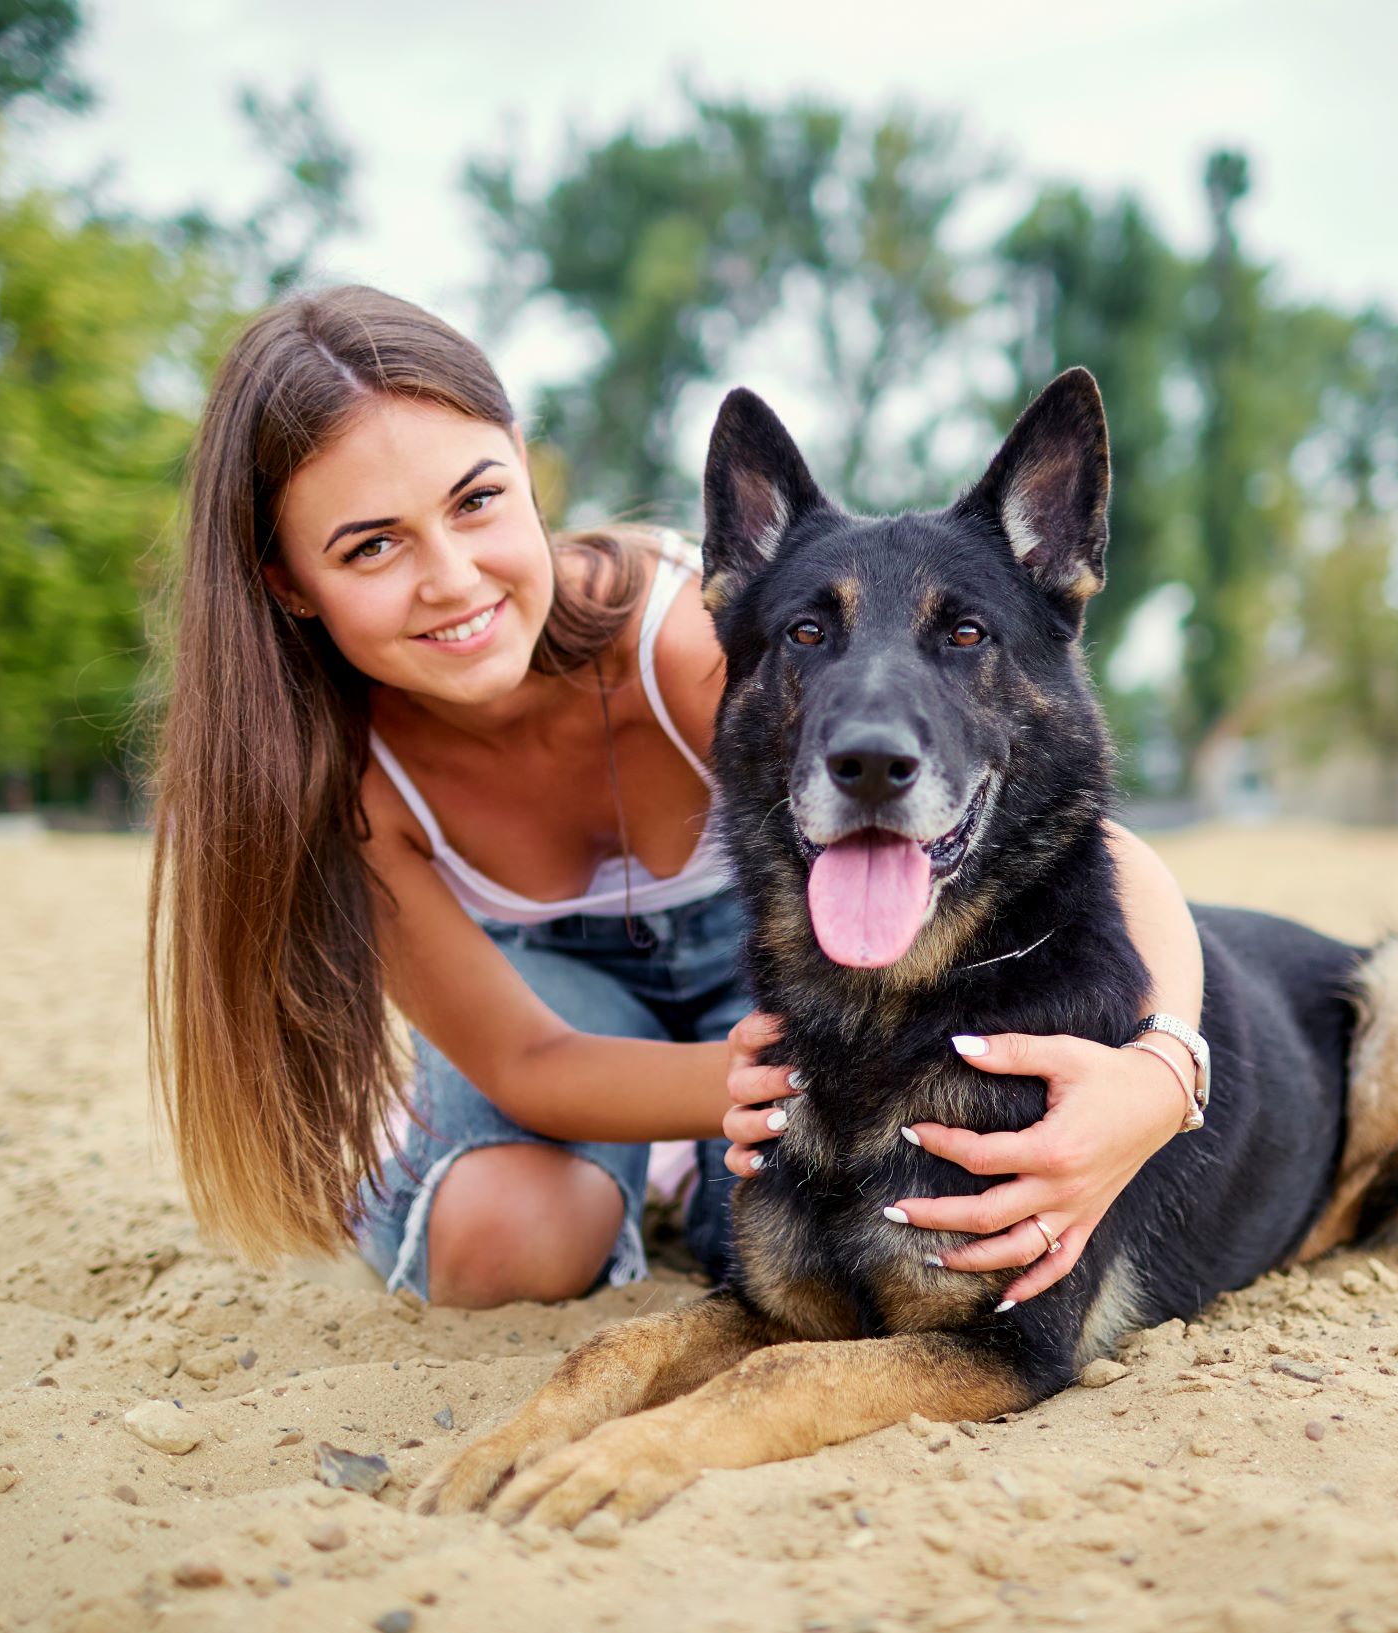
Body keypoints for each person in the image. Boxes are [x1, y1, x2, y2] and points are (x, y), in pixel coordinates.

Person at [147, 285, 1205, 1313]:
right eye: (371, 545)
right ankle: (436, 1167)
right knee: (506, 1243)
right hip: (558, 1007)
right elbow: (529, 1056)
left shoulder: (686, 641)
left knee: (761, 1228)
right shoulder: (342, 784)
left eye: (476, 502)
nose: (453, 579)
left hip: (775, 956)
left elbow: (1090, 849)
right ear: (287, 581)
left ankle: (679, 1180)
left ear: (524, 466)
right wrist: (741, 1094)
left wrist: (1162, 1077)